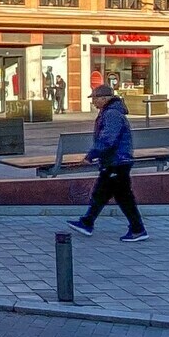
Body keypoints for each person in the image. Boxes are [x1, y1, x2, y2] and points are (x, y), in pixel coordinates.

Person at [68, 84, 147, 242]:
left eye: (95, 98)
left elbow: (107, 139)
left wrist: (90, 156)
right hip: (116, 161)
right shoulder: (110, 112)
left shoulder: (111, 114)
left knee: (120, 196)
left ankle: (138, 229)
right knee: (104, 194)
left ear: (104, 99)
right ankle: (88, 222)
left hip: (116, 161)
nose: (93, 102)